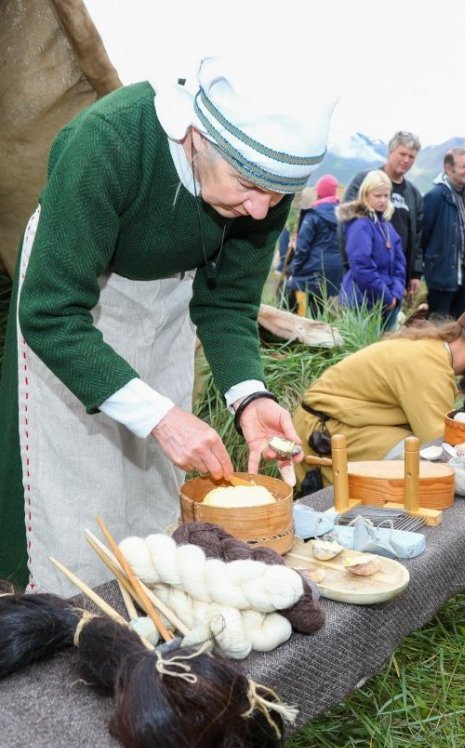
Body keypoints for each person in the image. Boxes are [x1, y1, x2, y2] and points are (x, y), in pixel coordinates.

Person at [0, 56, 336, 595]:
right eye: (247, 185)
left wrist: (249, 396)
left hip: (165, 308)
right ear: (196, 136)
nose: (260, 211)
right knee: (81, 488)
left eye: (277, 197)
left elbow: (228, 301)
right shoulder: (109, 141)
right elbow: (50, 312)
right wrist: (159, 416)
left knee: (153, 488)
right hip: (76, 304)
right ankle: (74, 618)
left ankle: (150, 611)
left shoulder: (264, 177)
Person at [292, 300, 465, 490]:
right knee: (431, 463)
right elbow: (439, 442)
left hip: (346, 426)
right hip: (323, 438)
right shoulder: (429, 365)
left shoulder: (433, 351)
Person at [343, 131, 423, 298]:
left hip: (396, 278)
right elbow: (345, 223)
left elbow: (417, 237)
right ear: (390, 152)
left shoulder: (413, 194)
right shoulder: (364, 180)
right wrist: (349, 266)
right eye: (402, 154)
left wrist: (415, 273)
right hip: (364, 278)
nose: (406, 160)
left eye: (411, 156)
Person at [338, 170, 407, 331]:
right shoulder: (360, 225)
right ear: (366, 195)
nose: (383, 201)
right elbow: (361, 266)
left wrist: (396, 294)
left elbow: (400, 264)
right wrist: (386, 297)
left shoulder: (387, 226)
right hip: (363, 302)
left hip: (389, 301)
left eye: (386, 196)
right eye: (378, 196)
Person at [421, 147, 465, 319]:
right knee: (438, 325)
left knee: (461, 325)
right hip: (442, 277)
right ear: (449, 169)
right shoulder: (435, 197)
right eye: (464, 166)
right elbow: (422, 237)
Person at [285, 174, 343, 316]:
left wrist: (294, 268)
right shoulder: (344, 217)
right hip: (333, 275)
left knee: (298, 313)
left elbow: (302, 247)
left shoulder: (314, 215)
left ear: (319, 193)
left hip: (309, 272)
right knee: (317, 311)